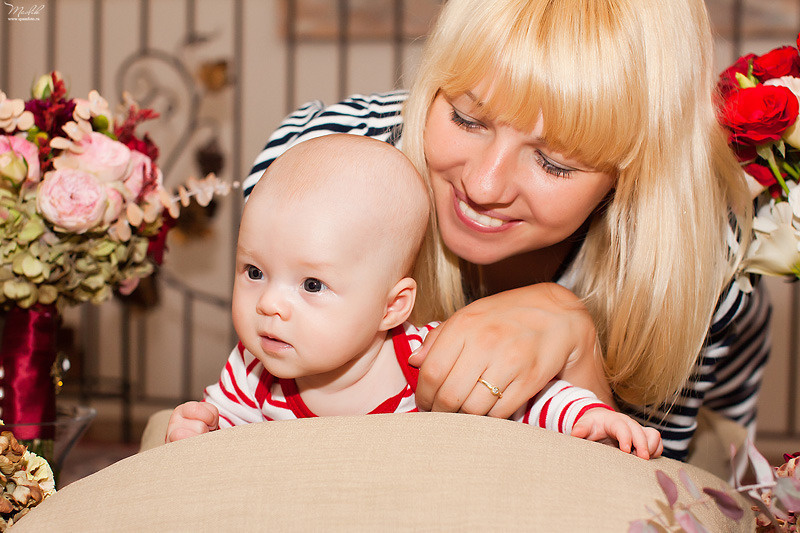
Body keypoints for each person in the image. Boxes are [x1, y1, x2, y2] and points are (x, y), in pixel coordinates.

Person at [241, 0, 772, 462]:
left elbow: (645, 498)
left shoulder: (698, 255)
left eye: (555, 162)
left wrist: (577, 347)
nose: (484, 184)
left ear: (634, 171)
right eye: (468, 119)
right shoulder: (313, 158)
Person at [166, 134, 663, 459]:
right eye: (253, 271)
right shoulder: (250, 375)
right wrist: (199, 432)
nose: (268, 305)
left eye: (312, 285)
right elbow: (221, 443)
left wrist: (590, 418)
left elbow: (531, 399)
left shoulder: (429, 362)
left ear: (393, 306)